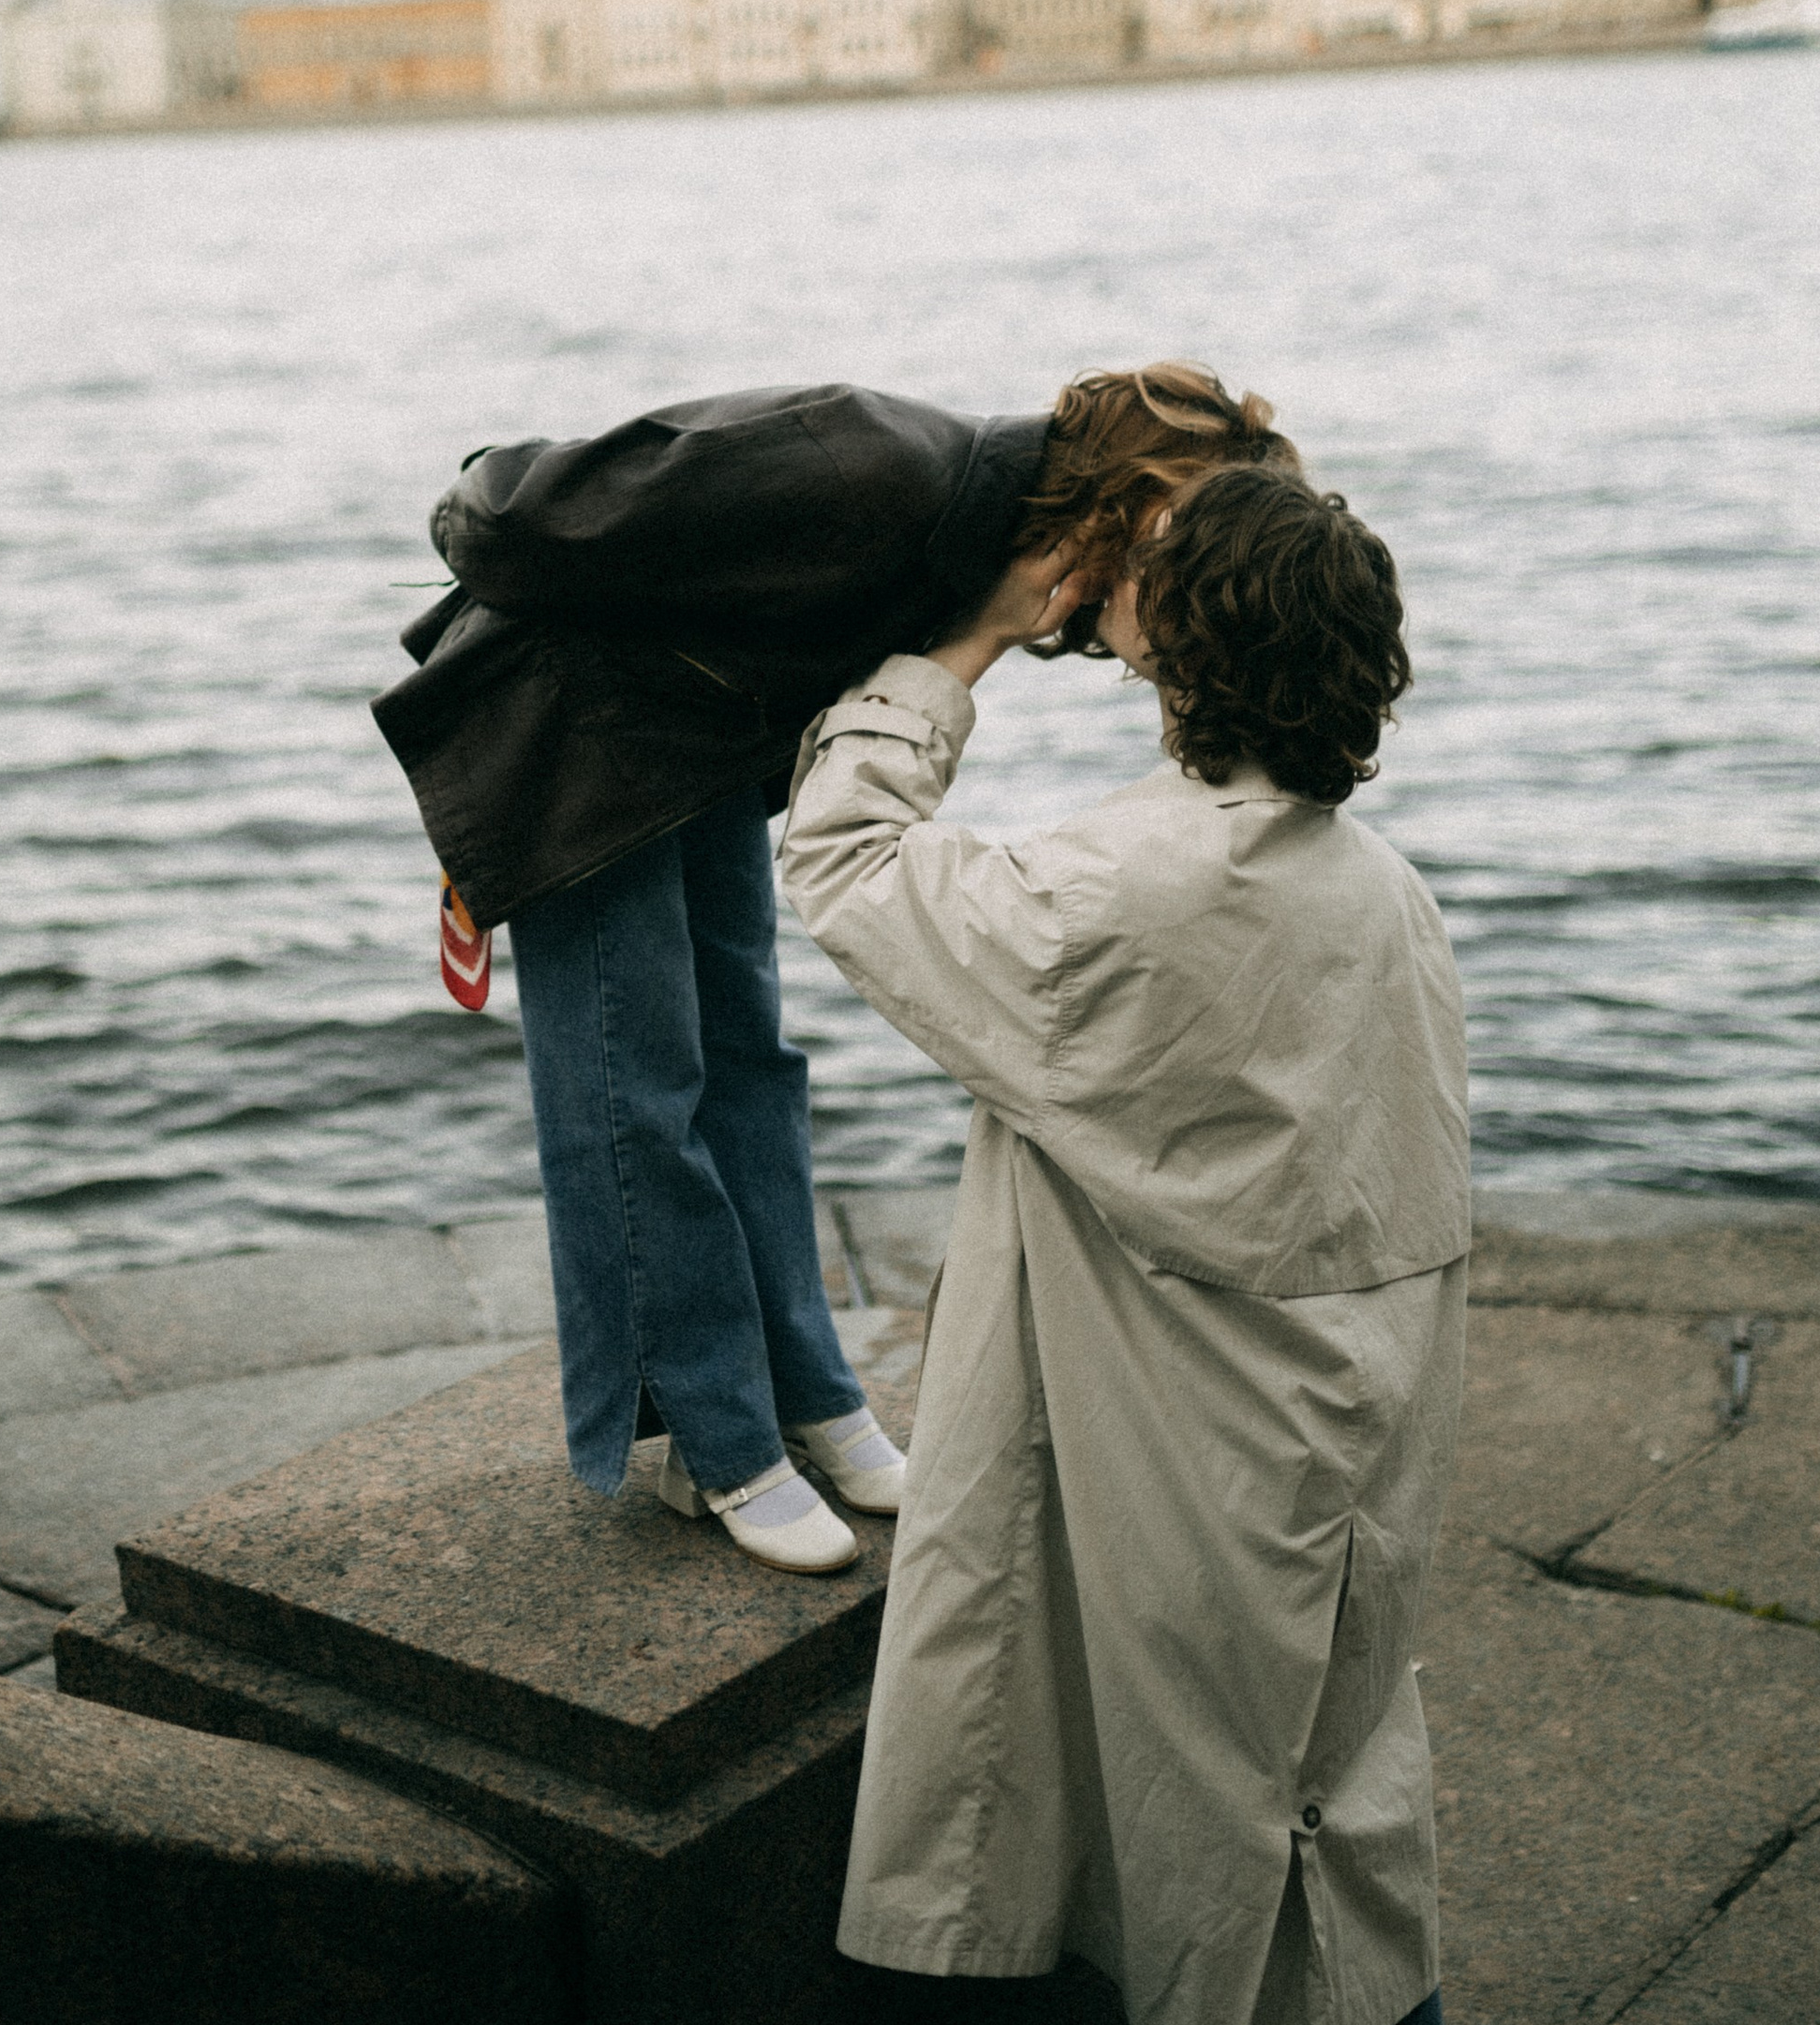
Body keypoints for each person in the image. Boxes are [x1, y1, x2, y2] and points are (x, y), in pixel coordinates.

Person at [777, 469, 1475, 2025]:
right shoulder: (1381, 895)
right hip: (1362, 1458)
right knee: (1360, 1871)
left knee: (1212, 1924)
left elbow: (840, 859)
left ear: (1180, 667)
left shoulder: (1114, 897)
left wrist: (970, 640)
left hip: (1198, 1485)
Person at [372, 367, 1298, 1573]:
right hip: (572, 733)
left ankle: (807, 1393)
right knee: (630, 1089)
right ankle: (720, 1439)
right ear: (1122, 505)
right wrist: (521, 548)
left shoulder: (990, 555)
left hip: (697, 747)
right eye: (1184, 558)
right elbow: (500, 507)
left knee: (752, 1067)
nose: (1184, 608)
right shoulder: (860, 457)